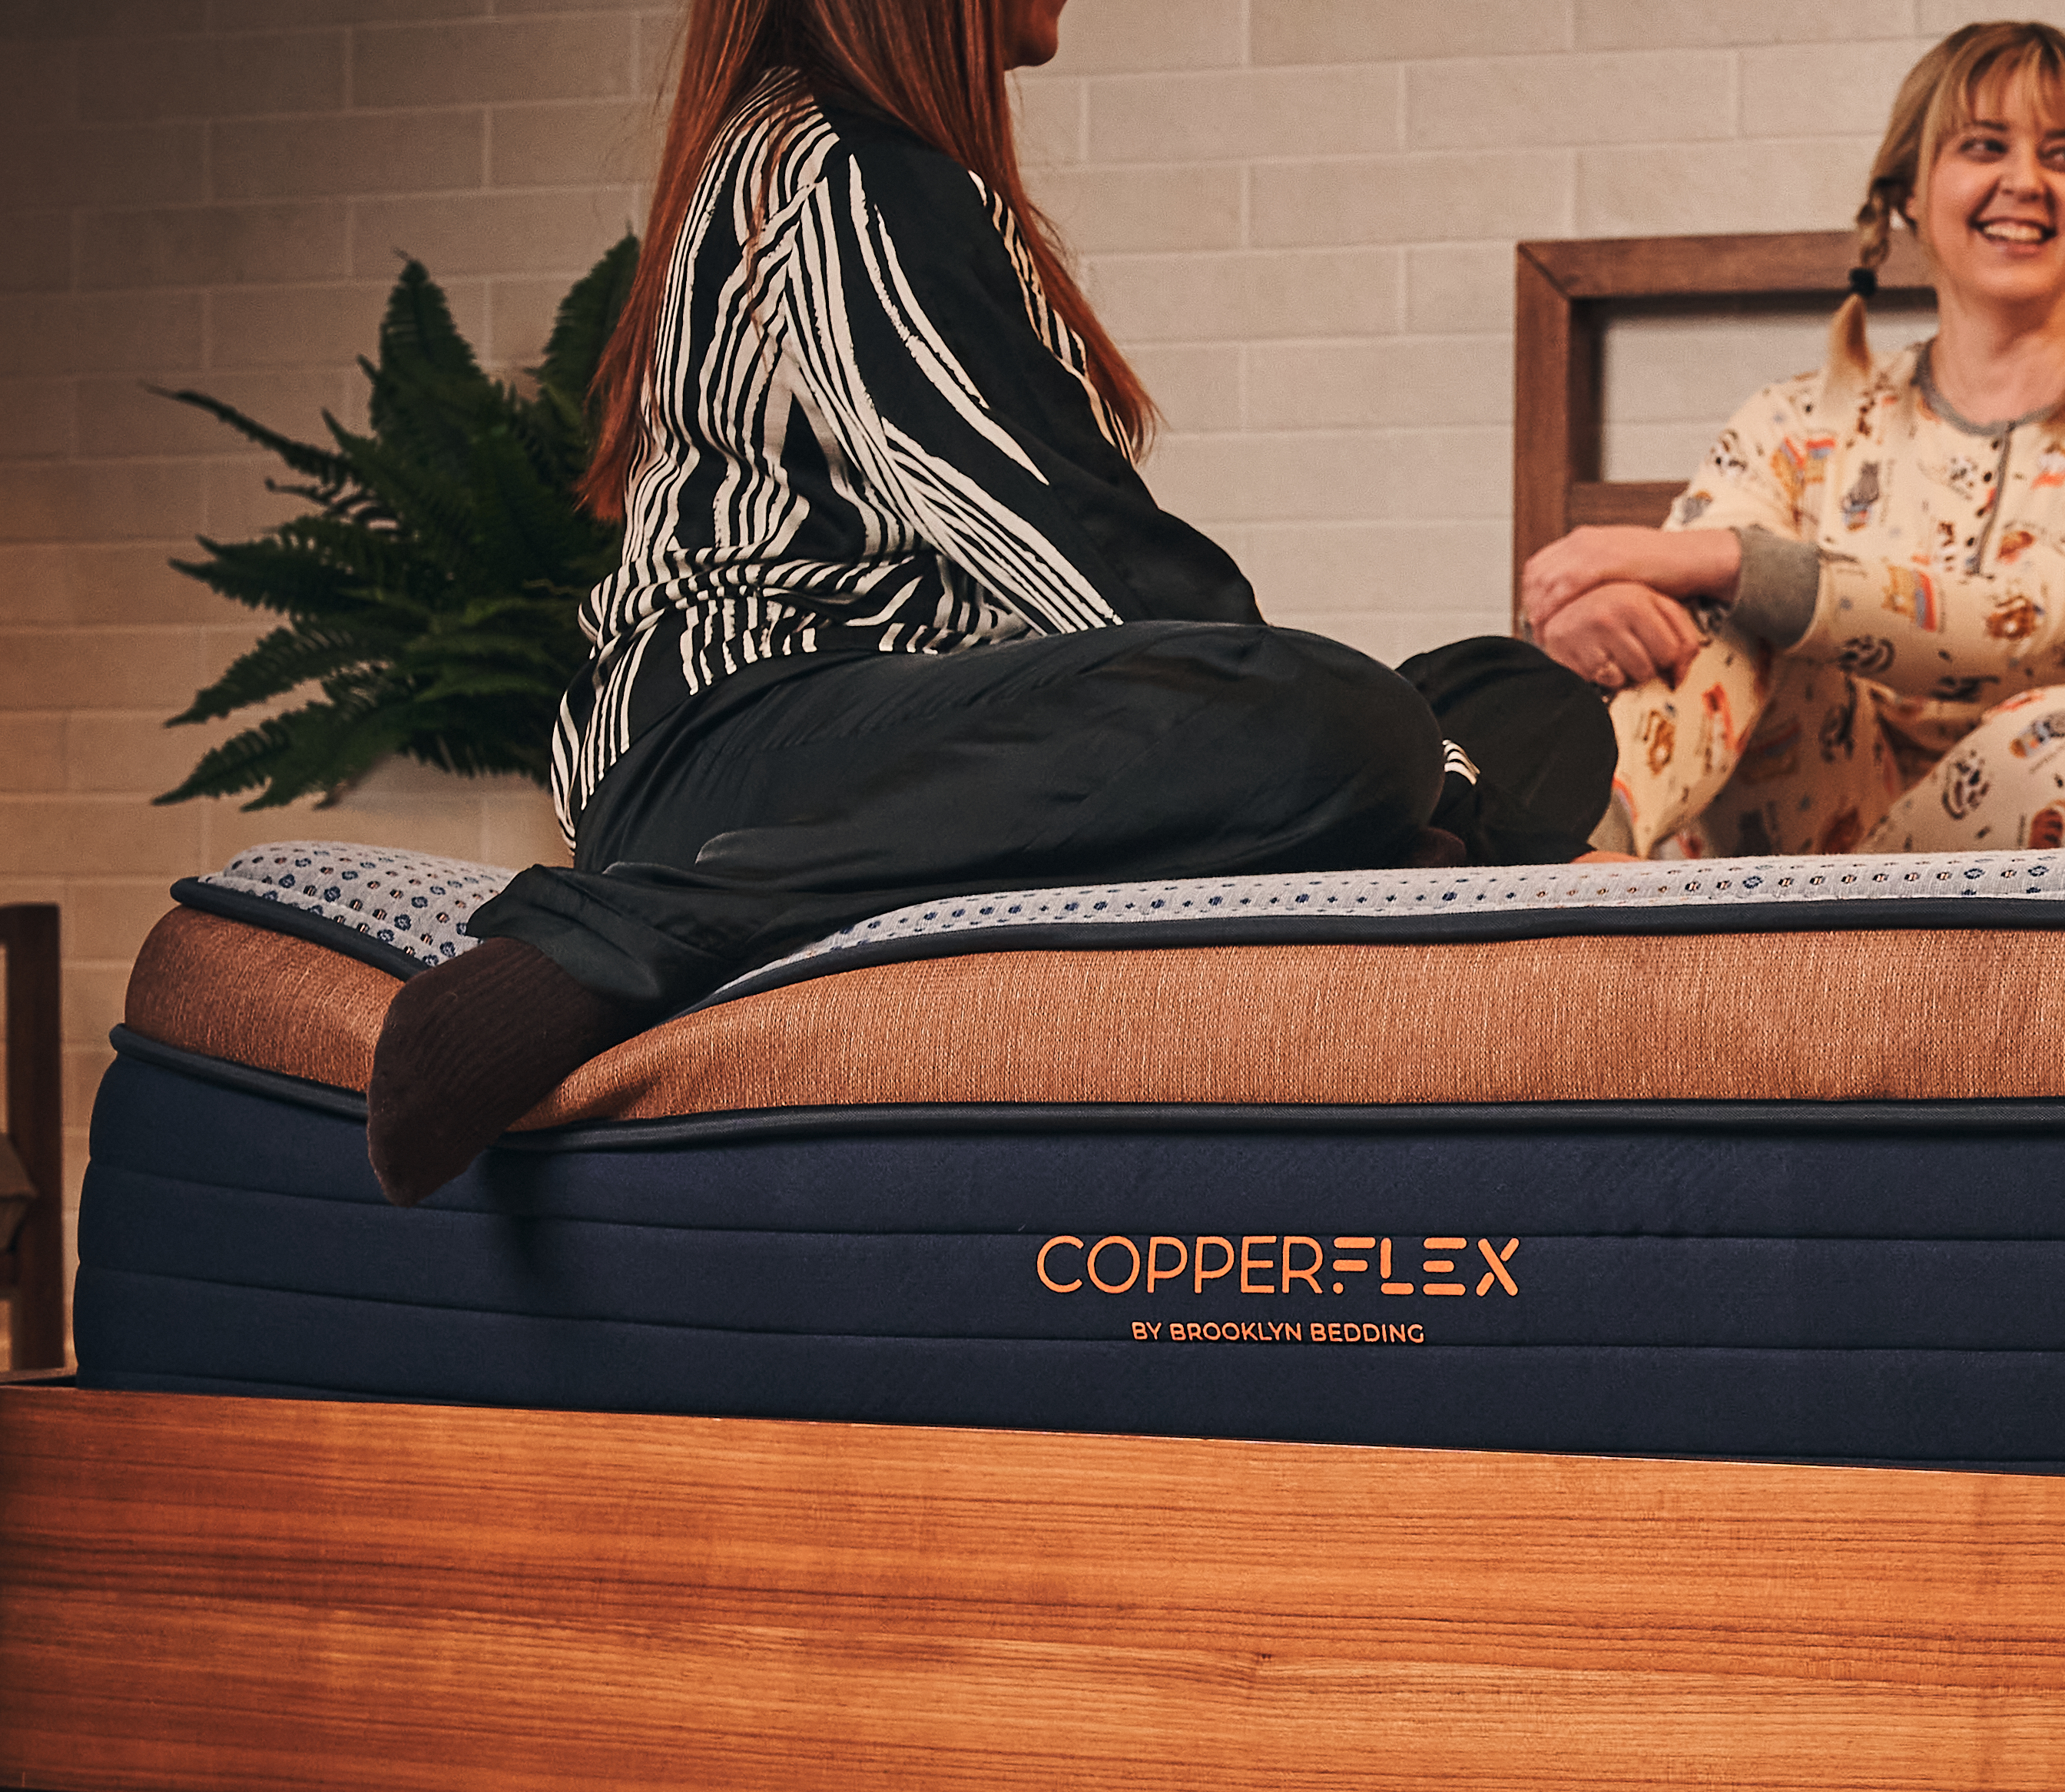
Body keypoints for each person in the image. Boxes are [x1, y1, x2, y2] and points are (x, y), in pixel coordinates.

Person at [362, 0, 1606, 1206]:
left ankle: (1383, 824)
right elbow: (1089, 565)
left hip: (911, 738)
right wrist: (1376, 746)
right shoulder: (849, 167)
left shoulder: (879, 168)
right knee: (1343, 721)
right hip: (737, 746)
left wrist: (1402, 747)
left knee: (1527, 700)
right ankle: (616, 940)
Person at [1518, 21, 2065, 860]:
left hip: (2045, 871)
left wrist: (1730, 561)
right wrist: (1595, 612)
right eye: (1985, 146)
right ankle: (1577, 888)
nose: (2025, 181)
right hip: (1793, 858)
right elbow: (1671, 605)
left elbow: (2054, 619)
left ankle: (1820, 976)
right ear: (1907, 190)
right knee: (1704, 613)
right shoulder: (1796, 420)